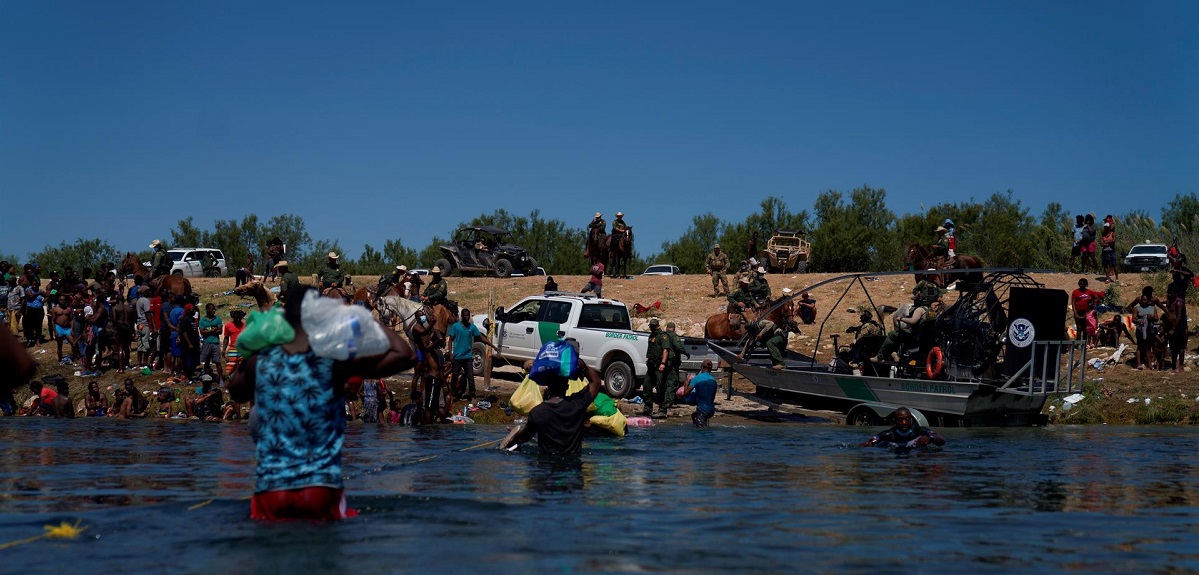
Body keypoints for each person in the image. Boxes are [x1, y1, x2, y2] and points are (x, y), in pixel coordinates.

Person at [228, 284, 416, 521]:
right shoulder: (333, 361)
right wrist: (361, 317)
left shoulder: (260, 360)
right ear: (322, 316)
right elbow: (405, 354)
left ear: (284, 316)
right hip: (320, 490)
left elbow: (235, 392)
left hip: (271, 492)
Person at [501, 339, 602, 455]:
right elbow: (596, 382)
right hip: (573, 469)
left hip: (545, 469)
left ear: (547, 385)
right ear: (567, 385)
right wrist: (581, 364)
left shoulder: (537, 413)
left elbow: (524, 437)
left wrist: (514, 435)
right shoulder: (577, 405)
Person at [446, 308, 498, 401]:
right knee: (455, 375)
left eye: (468, 315)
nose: (466, 317)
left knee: (470, 376)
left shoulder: (472, 327)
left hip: (468, 356)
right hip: (457, 356)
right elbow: (450, 340)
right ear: (461, 316)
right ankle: (453, 394)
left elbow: (481, 337)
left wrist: (492, 346)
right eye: (465, 315)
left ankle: (472, 395)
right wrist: (450, 353)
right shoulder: (455, 327)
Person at [871, 295, 931, 363]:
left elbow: (913, 321)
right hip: (924, 334)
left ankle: (879, 357)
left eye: (915, 300)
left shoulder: (919, 309)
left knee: (892, 334)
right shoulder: (929, 310)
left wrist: (901, 319)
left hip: (915, 334)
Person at [858, 407, 945, 449]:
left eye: (907, 419)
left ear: (910, 420)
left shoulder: (919, 431)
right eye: (900, 420)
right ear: (895, 421)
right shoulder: (888, 434)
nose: (904, 423)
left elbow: (941, 440)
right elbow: (868, 443)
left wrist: (931, 438)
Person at [641, 318, 672, 418]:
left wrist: (663, 363)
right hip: (651, 365)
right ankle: (648, 408)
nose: (652, 328)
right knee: (646, 386)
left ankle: (662, 410)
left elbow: (665, 350)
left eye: (654, 326)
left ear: (658, 326)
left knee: (660, 387)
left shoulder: (662, 336)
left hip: (659, 365)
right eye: (651, 326)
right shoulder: (651, 336)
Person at [1129, 287, 1167, 370]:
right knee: (1140, 346)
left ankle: (1150, 362)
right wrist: (1139, 319)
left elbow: (1157, 316)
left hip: (1150, 328)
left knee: (1149, 346)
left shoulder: (1153, 304)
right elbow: (1133, 317)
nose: (1143, 301)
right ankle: (1139, 363)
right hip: (1141, 329)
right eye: (1142, 300)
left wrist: (1152, 317)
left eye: (1145, 300)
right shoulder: (1137, 307)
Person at [684, 359, 718, 427]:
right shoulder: (714, 381)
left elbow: (686, 393)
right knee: (694, 415)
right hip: (711, 410)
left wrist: (686, 384)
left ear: (701, 367)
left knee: (701, 432)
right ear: (711, 369)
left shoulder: (697, 378)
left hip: (702, 411)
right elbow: (712, 397)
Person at [663, 321, 688, 413]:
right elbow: (678, 347)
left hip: (662, 362)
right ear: (673, 328)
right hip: (672, 362)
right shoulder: (674, 336)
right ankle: (669, 402)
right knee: (673, 382)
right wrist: (686, 352)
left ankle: (663, 399)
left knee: (664, 381)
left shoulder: (662, 335)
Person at [1071, 278, 1105, 345]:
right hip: (1078, 311)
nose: (1081, 285)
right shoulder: (1075, 292)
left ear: (1085, 284)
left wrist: (1092, 303)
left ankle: (1084, 343)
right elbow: (1073, 303)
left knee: (1085, 328)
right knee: (1079, 328)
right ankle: (1078, 343)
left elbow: (1097, 298)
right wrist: (1075, 313)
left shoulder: (1089, 292)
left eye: (1082, 283)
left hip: (1086, 312)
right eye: (1080, 283)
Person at [1165, 284, 1188, 373]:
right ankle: (1173, 366)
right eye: (1168, 293)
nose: (1169, 294)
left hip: (1178, 327)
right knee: (1173, 347)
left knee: (1180, 347)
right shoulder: (1169, 301)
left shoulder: (1179, 302)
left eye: (1171, 293)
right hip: (1170, 327)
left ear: (1175, 293)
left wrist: (1174, 328)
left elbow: (1178, 316)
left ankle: (1181, 365)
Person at [198, 303, 224, 382]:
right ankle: (207, 378)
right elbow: (202, 332)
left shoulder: (218, 319)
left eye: (214, 309)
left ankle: (221, 379)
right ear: (207, 310)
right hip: (206, 343)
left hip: (215, 343)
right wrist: (213, 330)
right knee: (206, 362)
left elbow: (220, 331)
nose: (214, 311)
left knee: (217, 362)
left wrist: (208, 331)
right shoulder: (202, 320)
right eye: (212, 309)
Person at [50, 297, 74, 363]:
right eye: (61, 300)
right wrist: (55, 331)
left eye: (64, 300)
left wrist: (72, 329)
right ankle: (60, 360)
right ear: (59, 300)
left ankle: (76, 358)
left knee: (73, 343)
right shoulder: (55, 309)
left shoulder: (69, 309)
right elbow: (53, 321)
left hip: (67, 328)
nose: (62, 301)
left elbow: (71, 319)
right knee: (59, 345)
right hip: (59, 327)